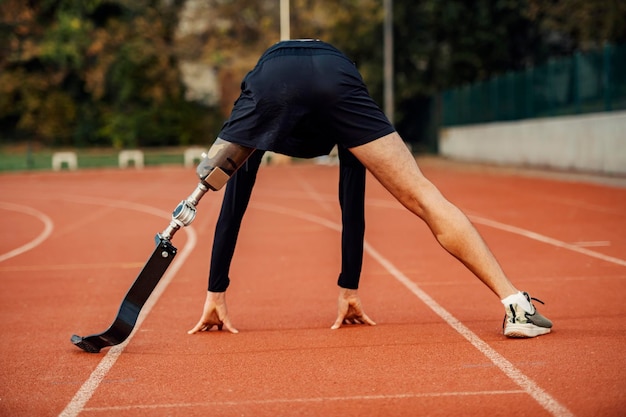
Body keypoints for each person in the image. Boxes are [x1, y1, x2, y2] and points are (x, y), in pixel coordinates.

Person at [188, 39, 552, 338]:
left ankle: (216, 294)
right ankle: (515, 304)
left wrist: (214, 292)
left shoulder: (260, 89)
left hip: (272, 79)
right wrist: (350, 288)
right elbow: (352, 199)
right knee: (424, 195)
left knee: (222, 183)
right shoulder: (339, 79)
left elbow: (233, 202)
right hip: (338, 75)